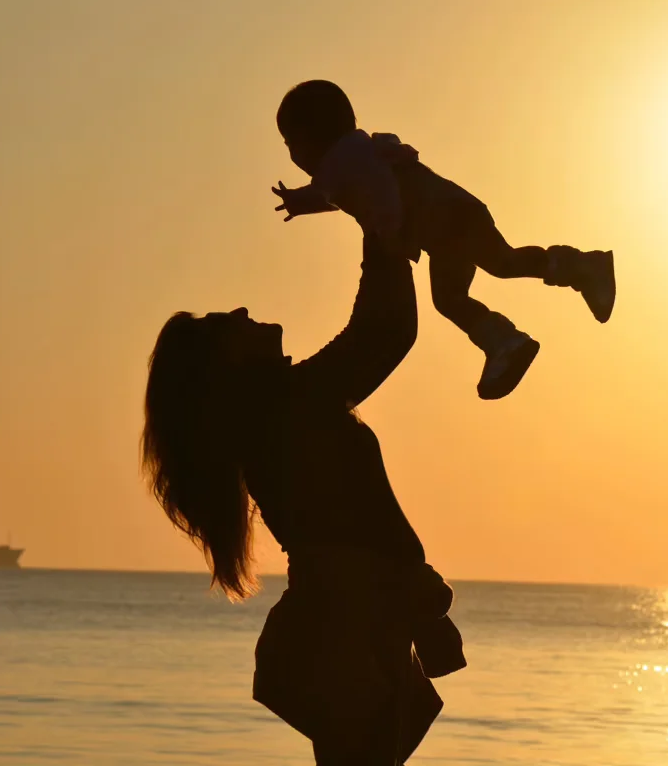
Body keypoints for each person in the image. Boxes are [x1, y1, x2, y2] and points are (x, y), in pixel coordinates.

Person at [141, 230, 465, 764]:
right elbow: (383, 333)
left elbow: (383, 333)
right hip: (346, 623)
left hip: (351, 617)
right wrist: (378, 223)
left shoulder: (279, 409)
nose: (244, 310)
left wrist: (382, 229)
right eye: (228, 324)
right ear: (227, 367)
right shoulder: (285, 407)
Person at [271, 79, 616, 400]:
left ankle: (532, 316)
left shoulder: (342, 162)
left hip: (446, 220)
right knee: (479, 278)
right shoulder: (353, 156)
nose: (292, 155)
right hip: (448, 222)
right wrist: (301, 202)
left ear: (310, 137)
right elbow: (337, 193)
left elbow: (378, 189)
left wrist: (388, 230)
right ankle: (513, 334)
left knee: (489, 271)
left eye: (290, 144)